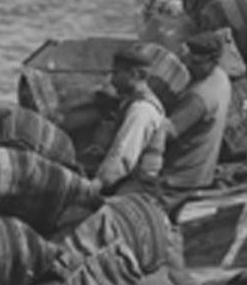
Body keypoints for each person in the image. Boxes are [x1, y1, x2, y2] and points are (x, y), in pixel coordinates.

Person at [161, 32, 234, 205]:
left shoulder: (199, 97)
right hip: (201, 171)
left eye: (196, 62)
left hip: (180, 178)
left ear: (212, 61)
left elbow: (166, 134)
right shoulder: (221, 77)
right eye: (188, 59)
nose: (188, 65)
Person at [94, 45, 168, 197]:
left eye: (116, 73)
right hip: (129, 177)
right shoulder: (132, 100)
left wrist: (95, 185)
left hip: (139, 184)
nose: (112, 79)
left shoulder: (141, 110)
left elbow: (123, 157)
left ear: (133, 74)